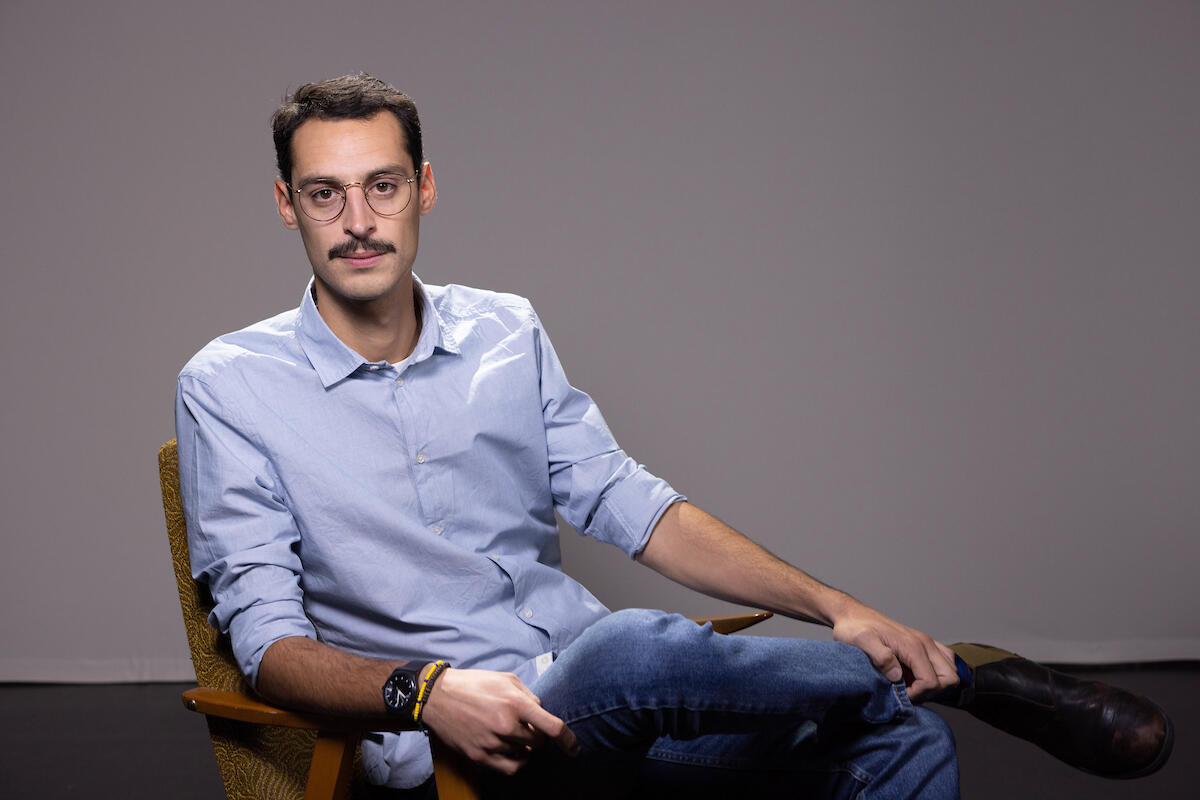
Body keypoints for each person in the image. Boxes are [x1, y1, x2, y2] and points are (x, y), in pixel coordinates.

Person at [176, 74, 1172, 798]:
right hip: (464, 737)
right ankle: (968, 672)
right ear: (287, 204)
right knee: (630, 645)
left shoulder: (504, 330)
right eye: (325, 193)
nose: (359, 220)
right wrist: (424, 693)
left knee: (902, 744)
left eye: (383, 186)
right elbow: (268, 647)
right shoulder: (231, 386)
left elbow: (631, 504)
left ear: (424, 188)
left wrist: (839, 607)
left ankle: (919, 674)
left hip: (608, 701)